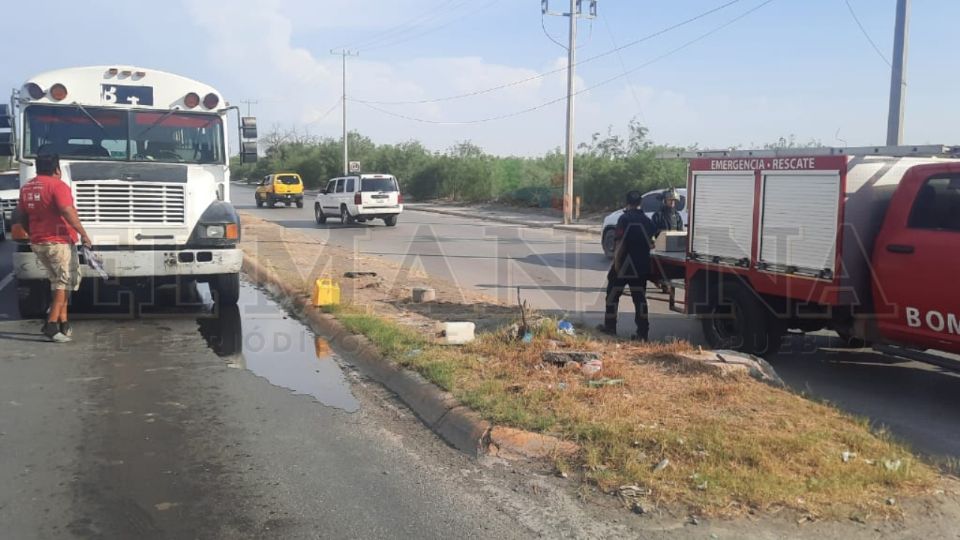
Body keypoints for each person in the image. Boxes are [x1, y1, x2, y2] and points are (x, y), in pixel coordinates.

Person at [18, 154, 92, 343]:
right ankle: (50, 325)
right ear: (57, 169)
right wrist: (83, 233)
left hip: (38, 242)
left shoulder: (27, 187)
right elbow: (67, 210)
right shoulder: (58, 186)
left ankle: (63, 322)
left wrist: (32, 233)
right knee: (63, 281)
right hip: (58, 242)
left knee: (58, 281)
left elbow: (23, 216)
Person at [597, 190, 659, 341]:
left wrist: (617, 265)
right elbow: (653, 242)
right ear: (640, 203)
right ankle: (642, 333)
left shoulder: (624, 219)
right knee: (640, 300)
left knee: (612, 294)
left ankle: (610, 326)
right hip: (642, 266)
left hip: (625, 265)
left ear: (627, 203)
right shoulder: (647, 220)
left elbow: (619, 243)